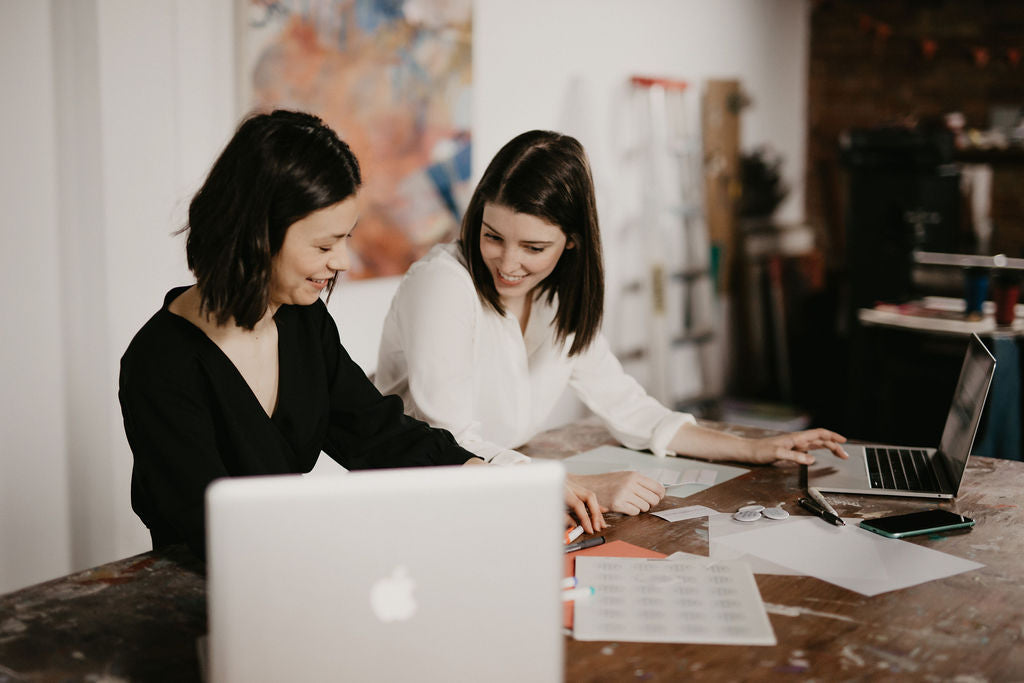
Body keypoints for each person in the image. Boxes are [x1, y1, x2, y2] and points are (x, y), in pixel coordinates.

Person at [374, 130, 848, 516]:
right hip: (419, 500)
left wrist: (755, 448)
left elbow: (631, 410)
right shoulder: (443, 284)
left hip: (503, 497)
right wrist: (579, 486)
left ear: (573, 242)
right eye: (492, 236)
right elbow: (449, 440)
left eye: (534, 248)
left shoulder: (559, 300)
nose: (508, 263)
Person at [120, 110, 501, 560]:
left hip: (290, 566)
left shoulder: (302, 321)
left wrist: (490, 477)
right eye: (324, 245)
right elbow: (209, 527)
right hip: (207, 591)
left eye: (344, 239)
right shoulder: (160, 363)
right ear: (256, 235)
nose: (341, 261)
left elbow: (375, 431)